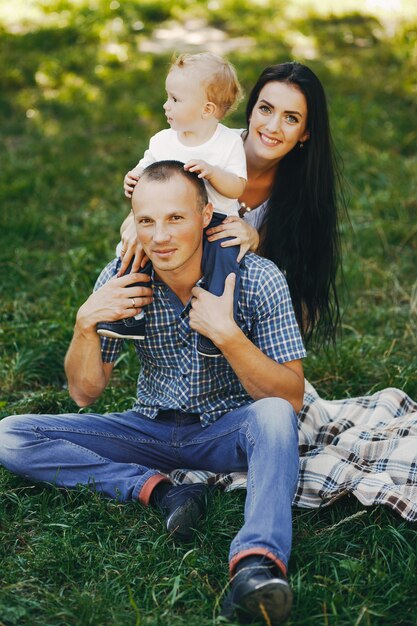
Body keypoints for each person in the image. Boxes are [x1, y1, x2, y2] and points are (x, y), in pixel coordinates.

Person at [0, 161, 306, 625]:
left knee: (275, 418)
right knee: (10, 435)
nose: (160, 236)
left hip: (228, 431)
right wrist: (85, 324)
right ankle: (162, 494)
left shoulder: (258, 278)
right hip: (149, 431)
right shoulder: (124, 276)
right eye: (147, 221)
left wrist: (228, 336)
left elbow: (292, 398)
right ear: (133, 222)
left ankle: (256, 568)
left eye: (175, 218)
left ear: (205, 217)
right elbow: (84, 394)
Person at [120, 61, 343, 347]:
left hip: (239, 321)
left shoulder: (303, 191)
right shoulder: (210, 146)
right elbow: (157, 196)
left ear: (306, 133)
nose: (272, 126)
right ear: (250, 111)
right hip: (174, 301)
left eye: (291, 118)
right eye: (266, 109)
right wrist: (133, 224)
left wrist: (255, 239)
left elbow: (284, 279)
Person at [97, 52, 247, 358]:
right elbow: (147, 171)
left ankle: (216, 326)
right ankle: (130, 316)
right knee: (132, 254)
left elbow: (238, 186)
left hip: (217, 221)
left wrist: (213, 173)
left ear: (206, 109)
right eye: (168, 97)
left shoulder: (228, 143)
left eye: (175, 100)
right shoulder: (163, 141)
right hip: (170, 220)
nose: (166, 105)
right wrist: (134, 178)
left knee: (224, 264)